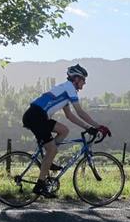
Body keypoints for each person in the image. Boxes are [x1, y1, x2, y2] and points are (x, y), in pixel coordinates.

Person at [22, 64, 111, 197]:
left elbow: (70, 116)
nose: (84, 83)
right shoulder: (69, 88)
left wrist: (89, 128)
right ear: (75, 79)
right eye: (83, 80)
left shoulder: (66, 90)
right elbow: (80, 112)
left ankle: (48, 160)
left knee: (64, 130)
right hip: (36, 116)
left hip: (38, 115)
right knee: (52, 150)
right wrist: (96, 127)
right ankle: (40, 186)